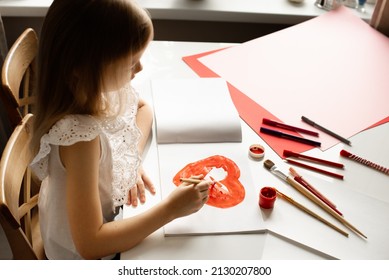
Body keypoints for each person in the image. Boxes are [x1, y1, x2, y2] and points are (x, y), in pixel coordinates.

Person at [30, 0, 211, 260]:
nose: (139, 69)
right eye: (130, 63)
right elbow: (91, 245)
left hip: (107, 220)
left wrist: (128, 163)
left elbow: (143, 109)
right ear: (83, 69)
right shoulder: (79, 139)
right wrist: (170, 209)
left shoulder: (95, 91)